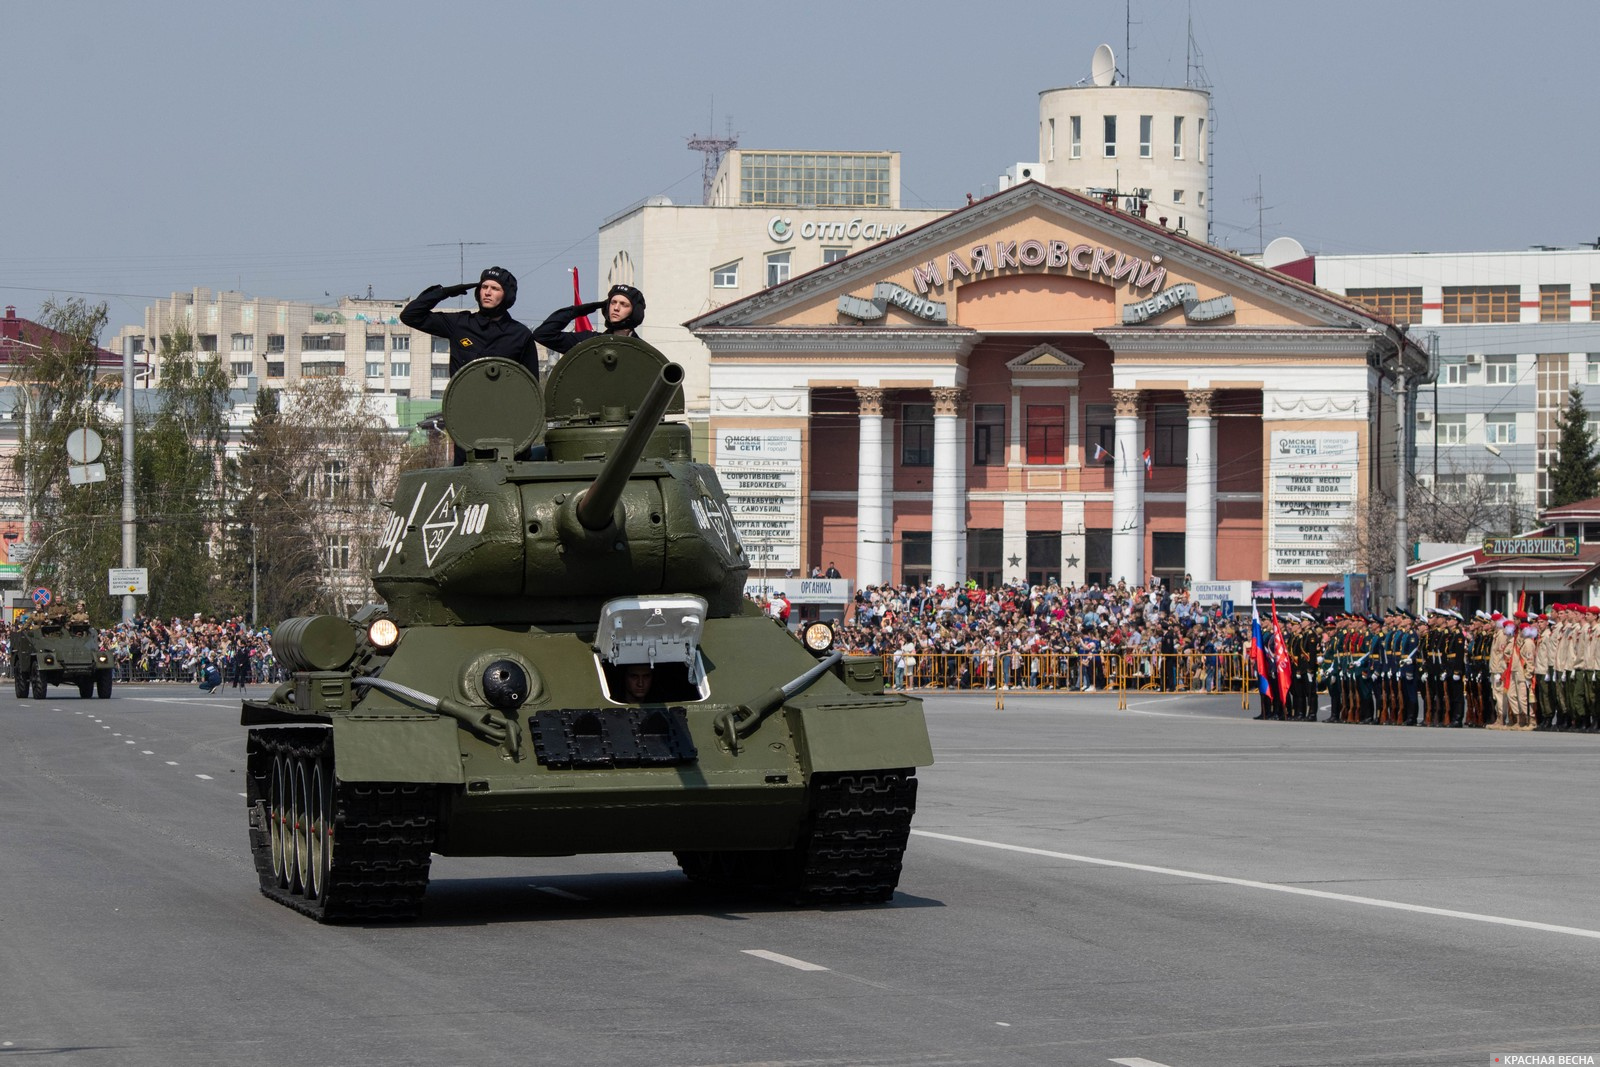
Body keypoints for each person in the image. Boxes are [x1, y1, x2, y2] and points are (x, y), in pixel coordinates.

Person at [400, 266, 539, 379]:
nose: (487, 292)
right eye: (484, 287)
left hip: (503, 410)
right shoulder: (460, 324)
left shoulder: (520, 335)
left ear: (507, 295)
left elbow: (531, 385)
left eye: (495, 288)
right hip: (463, 408)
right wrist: (443, 292)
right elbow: (410, 316)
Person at [534, 283, 646, 356]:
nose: (616, 308)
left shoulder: (643, 351)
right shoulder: (589, 342)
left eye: (623, 304)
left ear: (634, 312)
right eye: (612, 302)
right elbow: (543, 334)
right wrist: (580, 310)